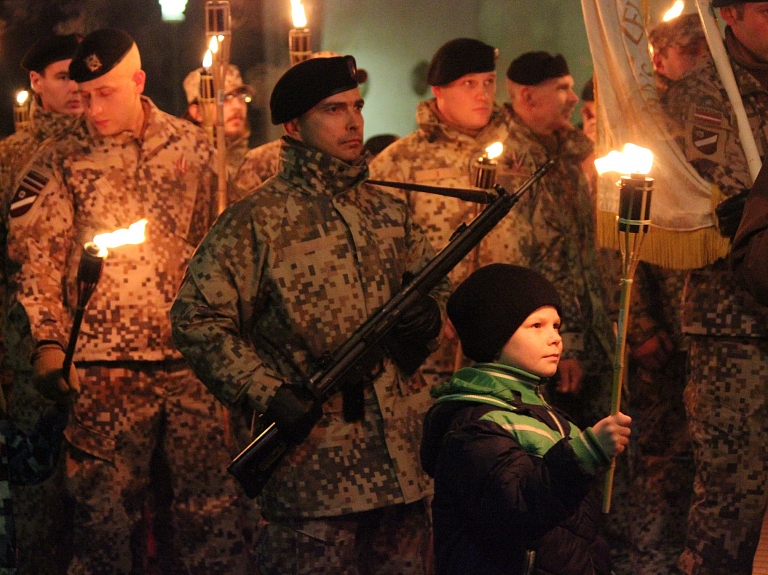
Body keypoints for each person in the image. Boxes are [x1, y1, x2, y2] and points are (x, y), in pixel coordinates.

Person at [171, 55, 448, 575]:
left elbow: (434, 284)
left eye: (357, 107)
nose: (353, 122)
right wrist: (267, 392)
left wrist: (426, 317)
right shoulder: (257, 220)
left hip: (400, 474)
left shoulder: (388, 211)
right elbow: (197, 319)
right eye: (333, 109)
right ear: (293, 126)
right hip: (314, 478)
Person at [5, 28, 249, 575]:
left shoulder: (193, 149)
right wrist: (48, 346)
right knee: (106, 526)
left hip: (190, 368)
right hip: (103, 373)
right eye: (84, 94)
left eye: (105, 93)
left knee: (210, 516)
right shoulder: (59, 160)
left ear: (138, 83)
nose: (91, 109)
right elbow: (38, 263)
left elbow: (221, 253)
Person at [420, 263, 631, 575]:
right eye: (536, 326)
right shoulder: (477, 425)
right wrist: (584, 454)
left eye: (557, 326)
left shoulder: (539, 412)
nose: (555, 338)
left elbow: (574, 532)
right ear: (494, 334)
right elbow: (517, 509)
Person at [662, 2, 768, 573]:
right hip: (735, 329)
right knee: (732, 495)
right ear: (728, 14)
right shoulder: (700, 96)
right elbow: (702, 196)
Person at [368, 37, 512, 388]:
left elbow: (552, 242)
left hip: (511, 339)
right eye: (468, 84)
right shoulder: (400, 161)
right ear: (439, 91)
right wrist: (430, 306)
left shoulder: (520, 155)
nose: (482, 94)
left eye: (488, 83)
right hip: (433, 350)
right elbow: (379, 255)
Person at [0, 32, 83, 575]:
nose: (77, 87)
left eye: (83, 75)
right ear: (36, 83)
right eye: (63, 76)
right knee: (38, 494)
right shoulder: (9, 158)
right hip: (26, 350)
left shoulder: (104, 143)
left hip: (104, 347)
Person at [182, 64, 255, 178]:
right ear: (198, 113)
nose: (237, 105)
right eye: (224, 98)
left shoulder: (257, 164)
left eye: (241, 96)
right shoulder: (185, 166)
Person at [648, 13, 709, 94]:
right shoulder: (649, 104)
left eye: (711, 51)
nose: (706, 59)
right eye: (692, 52)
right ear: (659, 63)